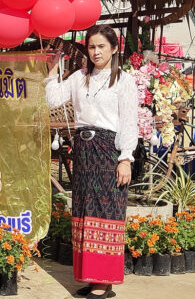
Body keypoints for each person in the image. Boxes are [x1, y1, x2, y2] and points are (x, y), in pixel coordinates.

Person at [44, 25, 137, 299]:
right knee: (84, 211)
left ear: (114, 49)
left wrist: (126, 159)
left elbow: (129, 123)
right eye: (92, 47)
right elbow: (53, 101)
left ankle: (103, 281)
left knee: (106, 212)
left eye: (101, 47)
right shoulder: (79, 77)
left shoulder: (124, 81)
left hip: (109, 150)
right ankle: (91, 276)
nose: (95, 52)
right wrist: (52, 71)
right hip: (83, 150)